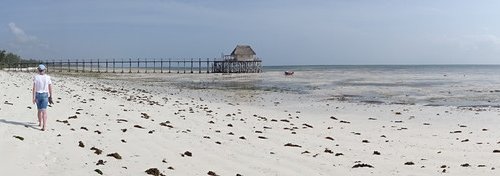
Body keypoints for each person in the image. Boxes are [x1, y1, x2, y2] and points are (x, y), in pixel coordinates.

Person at [32, 64, 53, 131]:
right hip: (45, 95)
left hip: (38, 95)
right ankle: (44, 126)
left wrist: (33, 97)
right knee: (44, 111)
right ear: (44, 70)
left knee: (39, 110)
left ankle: (40, 123)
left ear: (38, 70)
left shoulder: (36, 77)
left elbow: (34, 88)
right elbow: (50, 87)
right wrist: (51, 96)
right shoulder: (48, 77)